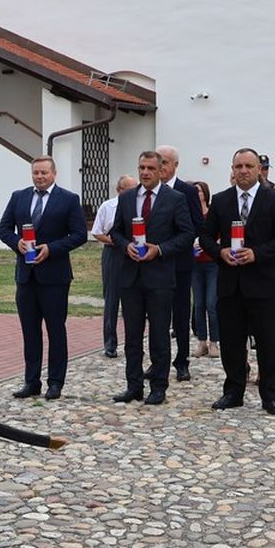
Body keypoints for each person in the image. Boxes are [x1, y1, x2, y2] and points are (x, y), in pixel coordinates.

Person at [200, 148, 275, 415]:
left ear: (258, 170)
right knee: (231, 342)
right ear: (232, 169)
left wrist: (257, 253)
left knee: (268, 342)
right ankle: (233, 391)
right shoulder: (221, 200)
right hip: (230, 284)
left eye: (248, 166)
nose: (243, 171)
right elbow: (205, 237)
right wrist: (220, 252)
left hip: (263, 283)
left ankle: (270, 395)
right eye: (238, 166)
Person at [0, 156, 87, 400]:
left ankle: (55, 382)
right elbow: (3, 229)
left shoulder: (68, 199)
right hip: (26, 276)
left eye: (44, 172)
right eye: (36, 172)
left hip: (54, 277)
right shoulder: (19, 197)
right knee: (30, 331)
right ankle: (31, 381)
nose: (39, 177)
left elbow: (79, 234)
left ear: (54, 173)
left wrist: (51, 248)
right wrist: (17, 242)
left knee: (55, 330)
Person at [109, 150, 195, 405]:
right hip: (131, 277)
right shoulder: (127, 198)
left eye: (150, 168)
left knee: (159, 336)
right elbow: (115, 232)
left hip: (160, 277)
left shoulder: (175, 198)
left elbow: (186, 234)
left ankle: (159, 386)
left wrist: (160, 249)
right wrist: (125, 245)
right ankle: (133, 385)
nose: (145, 172)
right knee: (132, 336)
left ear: (161, 170)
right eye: (142, 168)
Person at [156, 145, 204, 382]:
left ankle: (182, 361)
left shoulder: (187, 191)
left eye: (165, 162)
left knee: (181, 314)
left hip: (179, 263)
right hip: (154, 263)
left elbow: (197, 225)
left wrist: (173, 242)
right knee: (157, 315)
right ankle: (158, 361)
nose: (161, 167)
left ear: (175, 165)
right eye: (158, 161)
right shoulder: (148, 191)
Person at [90, 174, 137, 357]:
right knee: (111, 298)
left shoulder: (138, 205)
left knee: (132, 299)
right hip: (113, 252)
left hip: (133, 252)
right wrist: (115, 241)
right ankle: (110, 343)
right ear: (119, 190)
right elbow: (97, 232)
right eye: (129, 189)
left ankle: (132, 342)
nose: (133, 192)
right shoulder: (108, 206)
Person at [191, 180, 219, 358]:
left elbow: (220, 235)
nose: (197, 194)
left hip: (211, 263)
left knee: (211, 304)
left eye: (199, 191)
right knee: (198, 304)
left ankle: (214, 341)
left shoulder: (212, 213)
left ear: (205, 193)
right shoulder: (190, 213)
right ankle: (201, 341)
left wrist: (210, 244)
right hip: (195, 263)